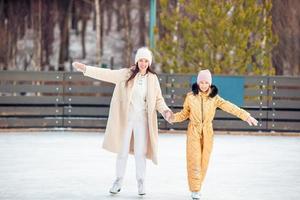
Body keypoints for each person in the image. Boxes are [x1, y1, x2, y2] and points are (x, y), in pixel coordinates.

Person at [72, 47, 172, 196]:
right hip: (127, 119)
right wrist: (85, 69)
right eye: (141, 60)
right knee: (122, 150)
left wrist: (165, 111)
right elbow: (107, 74)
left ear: (149, 62)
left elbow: (158, 100)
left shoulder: (152, 79)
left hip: (143, 121)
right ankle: (118, 180)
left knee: (141, 152)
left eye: (146, 61)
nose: (143, 63)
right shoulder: (127, 74)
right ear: (137, 61)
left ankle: (141, 181)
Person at [167, 69, 258, 200]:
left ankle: (198, 185)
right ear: (198, 83)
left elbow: (229, 107)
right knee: (194, 160)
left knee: (204, 161)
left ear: (210, 84)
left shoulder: (214, 98)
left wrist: (245, 115)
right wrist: (172, 118)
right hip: (194, 131)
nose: (203, 85)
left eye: (206, 82)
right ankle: (195, 189)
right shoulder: (190, 97)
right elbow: (184, 113)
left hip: (208, 132)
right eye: (201, 82)